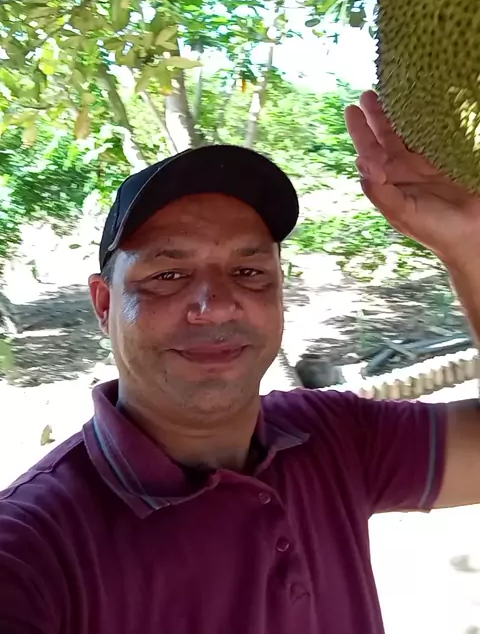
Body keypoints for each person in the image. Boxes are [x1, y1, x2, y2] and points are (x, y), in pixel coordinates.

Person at [1, 90, 479, 634]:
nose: (218, 305)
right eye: (168, 276)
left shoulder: (331, 436)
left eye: (249, 273)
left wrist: (467, 244)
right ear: (105, 305)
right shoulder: (34, 548)